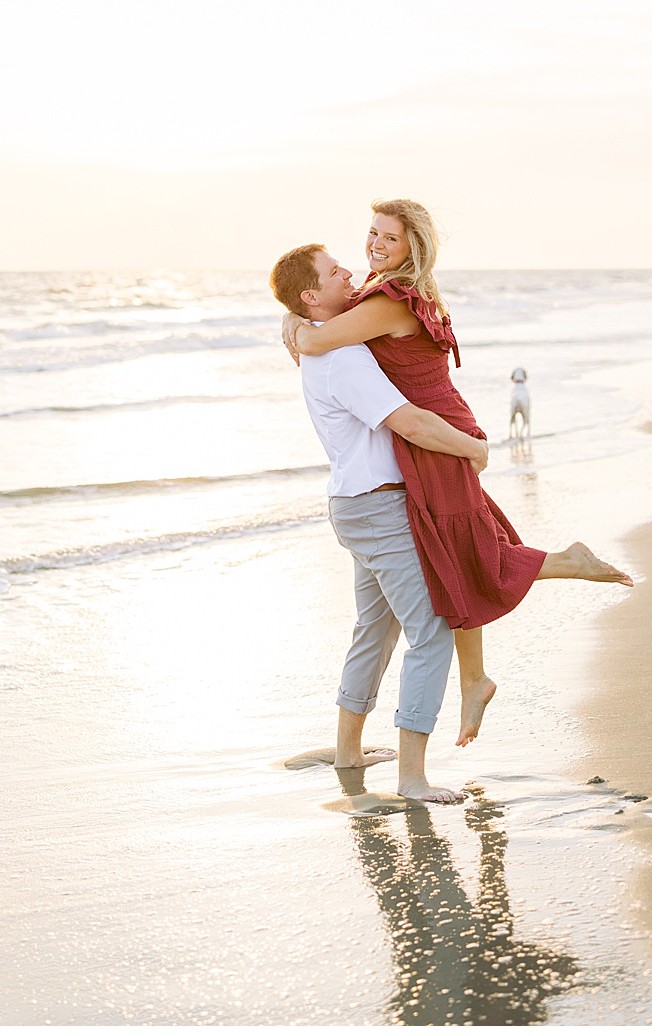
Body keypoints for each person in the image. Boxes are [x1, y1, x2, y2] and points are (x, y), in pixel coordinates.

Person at [278, 206, 632, 750]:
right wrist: (294, 316)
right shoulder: (378, 294)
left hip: (437, 437)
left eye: (389, 237)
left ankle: (541, 594)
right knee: (462, 554)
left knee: (464, 554)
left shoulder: (384, 302)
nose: (371, 246)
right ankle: (476, 676)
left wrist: (297, 324)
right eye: (372, 232)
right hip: (434, 436)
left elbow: (316, 339)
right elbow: (323, 319)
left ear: (412, 246)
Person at [269, 242, 485, 804]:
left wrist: (292, 322)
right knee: (431, 635)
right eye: (333, 272)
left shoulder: (323, 343)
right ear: (311, 296)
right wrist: (473, 448)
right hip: (380, 509)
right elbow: (410, 422)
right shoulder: (343, 357)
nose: (349, 272)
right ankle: (412, 779)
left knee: (375, 630)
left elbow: (312, 323)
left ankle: (348, 752)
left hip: (354, 505)